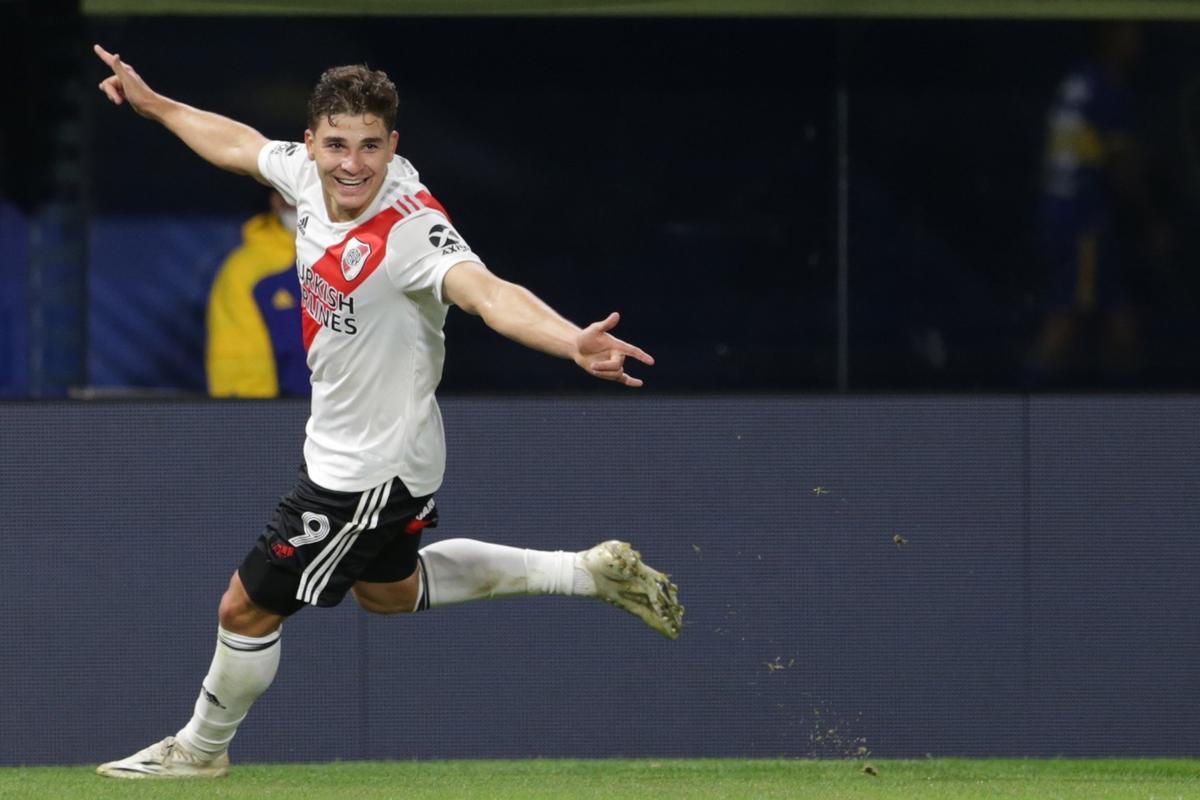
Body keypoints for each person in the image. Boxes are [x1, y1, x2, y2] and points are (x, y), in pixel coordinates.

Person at [91, 44, 683, 779]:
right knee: (388, 592)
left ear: (393, 147)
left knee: (243, 609)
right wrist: (156, 106)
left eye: (370, 147)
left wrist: (571, 341)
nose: (352, 164)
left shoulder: (409, 227)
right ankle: (585, 573)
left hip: (369, 467)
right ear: (311, 143)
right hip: (375, 451)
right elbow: (241, 146)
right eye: (337, 144)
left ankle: (201, 751)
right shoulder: (306, 176)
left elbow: (486, 291)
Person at [1030, 21, 1167, 386]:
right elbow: (1123, 170)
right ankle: (1014, 412)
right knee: (1066, 318)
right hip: (1081, 222)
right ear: (1111, 36)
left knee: (1121, 322)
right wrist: (1151, 222)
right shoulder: (1107, 88)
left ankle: (1130, 420)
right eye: (1130, 31)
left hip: (1066, 214)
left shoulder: (1078, 80)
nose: (1138, 40)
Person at [206, 190, 311, 398]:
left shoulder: (368, 254)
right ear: (275, 199)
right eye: (292, 195)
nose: (303, 204)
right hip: (290, 417)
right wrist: (260, 423)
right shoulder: (246, 269)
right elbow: (242, 372)